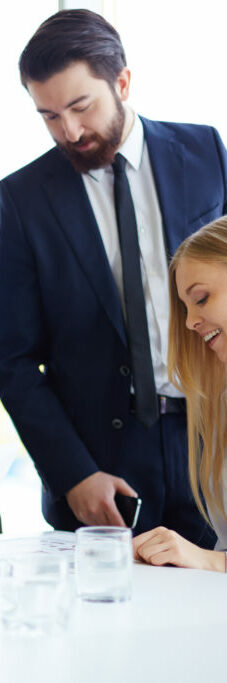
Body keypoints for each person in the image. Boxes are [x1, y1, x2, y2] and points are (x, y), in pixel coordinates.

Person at [0, 8, 227, 543]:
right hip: (99, 467)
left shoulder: (206, 152)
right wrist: (71, 471)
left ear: (122, 81)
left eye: (80, 106)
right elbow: (14, 358)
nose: (69, 130)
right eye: (48, 115)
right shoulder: (24, 198)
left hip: (210, 441)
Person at [134, 217, 227, 571]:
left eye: (201, 299)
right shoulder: (219, 402)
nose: (189, 322)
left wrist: (210, 560)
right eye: (185, 308)